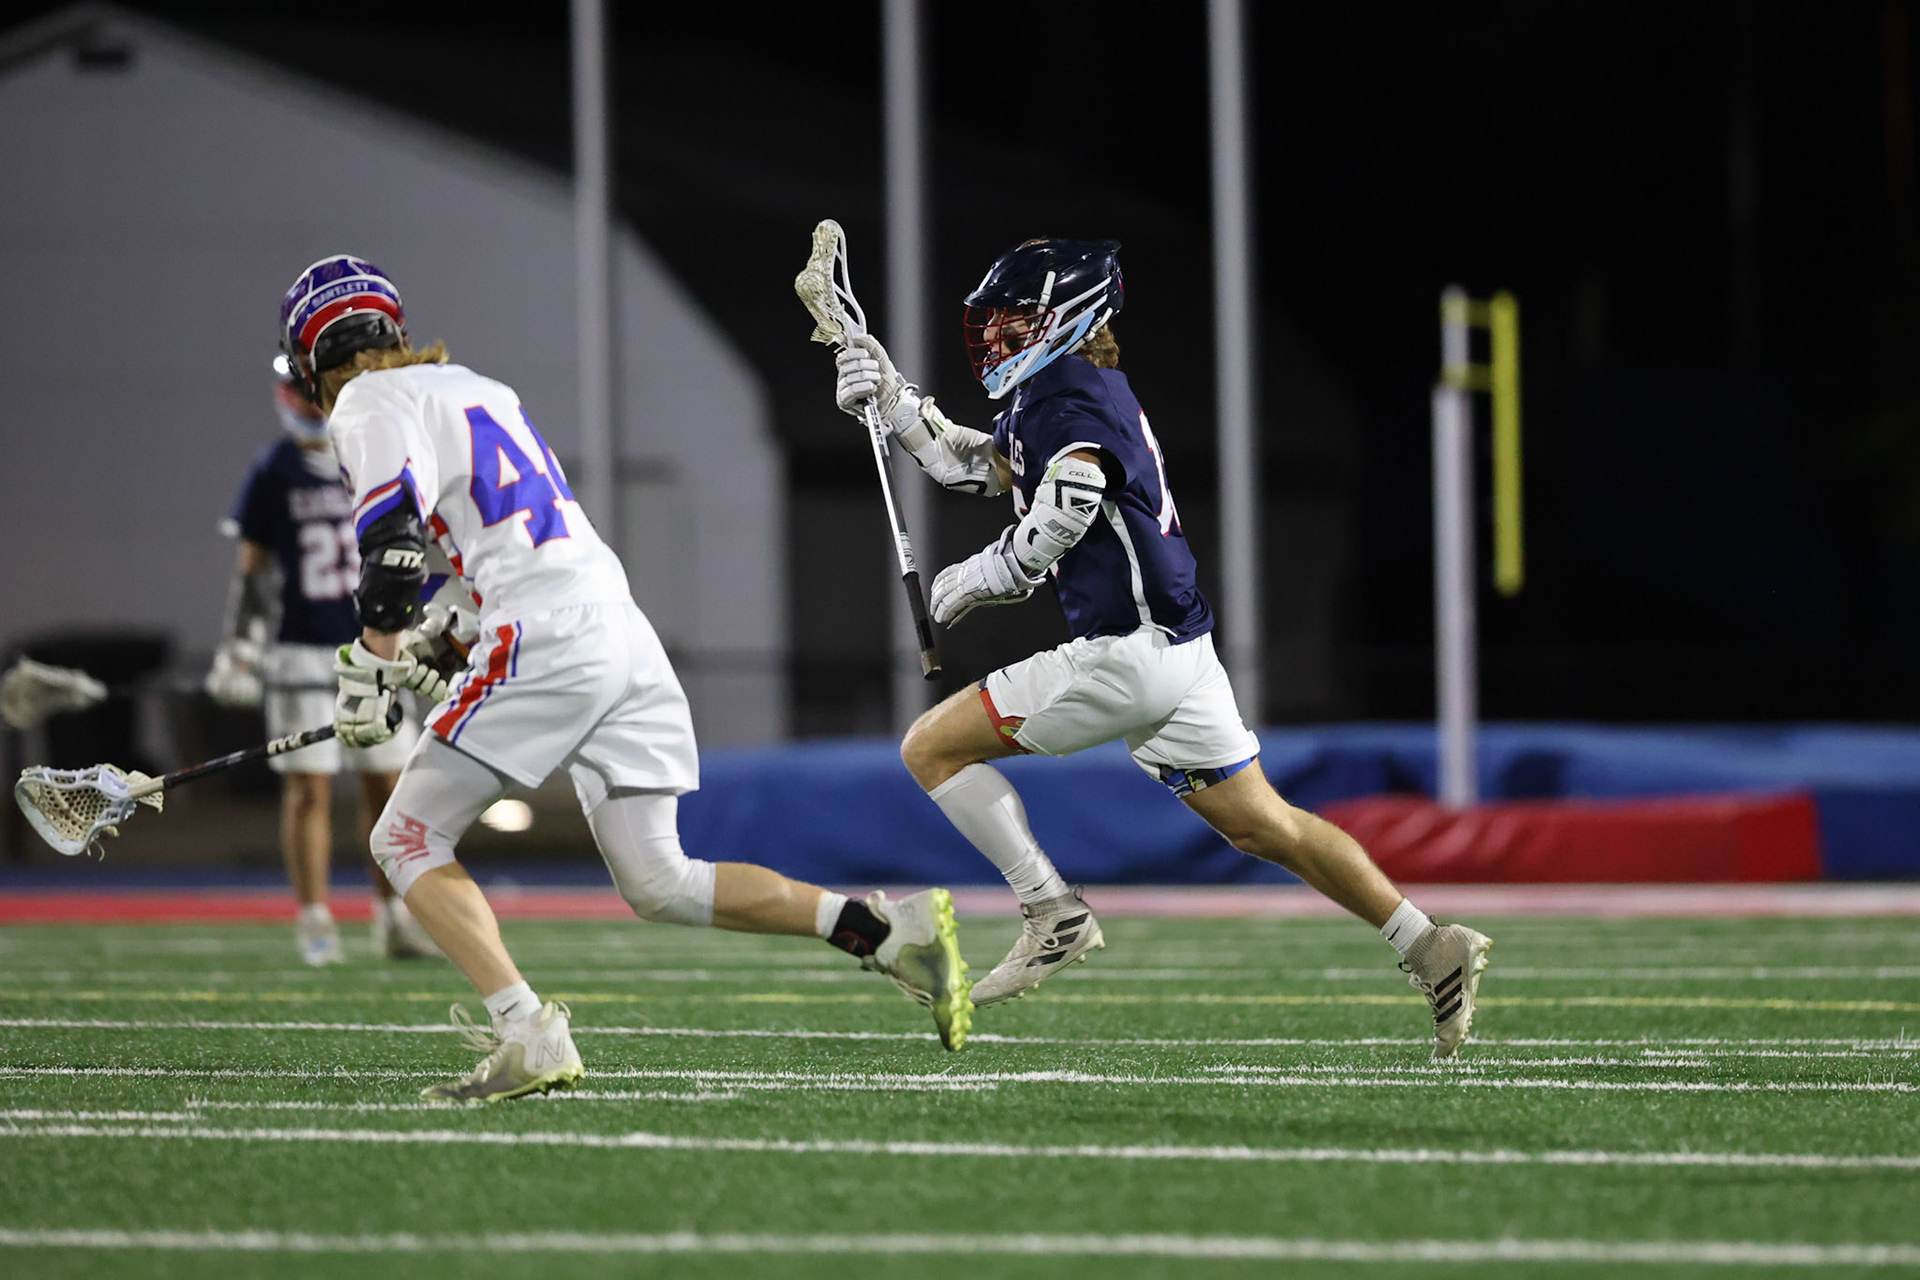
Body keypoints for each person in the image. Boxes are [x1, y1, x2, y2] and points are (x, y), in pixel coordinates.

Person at [281, 254, 970, 1103]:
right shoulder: (478, 389)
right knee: (660, 878)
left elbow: (391, 547)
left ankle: (526, 1030)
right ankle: (884, 929)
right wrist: (446, 632)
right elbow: (509, 536)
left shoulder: (366, 401)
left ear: (316, 361)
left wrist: (369, 663)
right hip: (615, 627)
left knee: (403, 838)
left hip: (547, 632)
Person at [832, 238, 1493, 1058]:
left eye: (1016, 320)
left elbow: (1064, 509)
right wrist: (895, 402)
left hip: (1127, 651)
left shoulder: (1066, 399)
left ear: (1069, 320)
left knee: (930, 749)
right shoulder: (1064, 387)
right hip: (1179, 649)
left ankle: (1050, 911)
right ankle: (1429, 944)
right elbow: (980, 469)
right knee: (1264, 825)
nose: (997, 336)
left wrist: (975, 579)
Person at [207, 356, 438, 966]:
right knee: (309, 789)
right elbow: (253, 571)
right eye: (299, 391)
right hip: (302, 649)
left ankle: (393, 915)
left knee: (389, 787)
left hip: (374, 645)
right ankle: (314, 918)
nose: (310, 403)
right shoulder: (274, 470)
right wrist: (239, 647)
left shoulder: (370, 456)